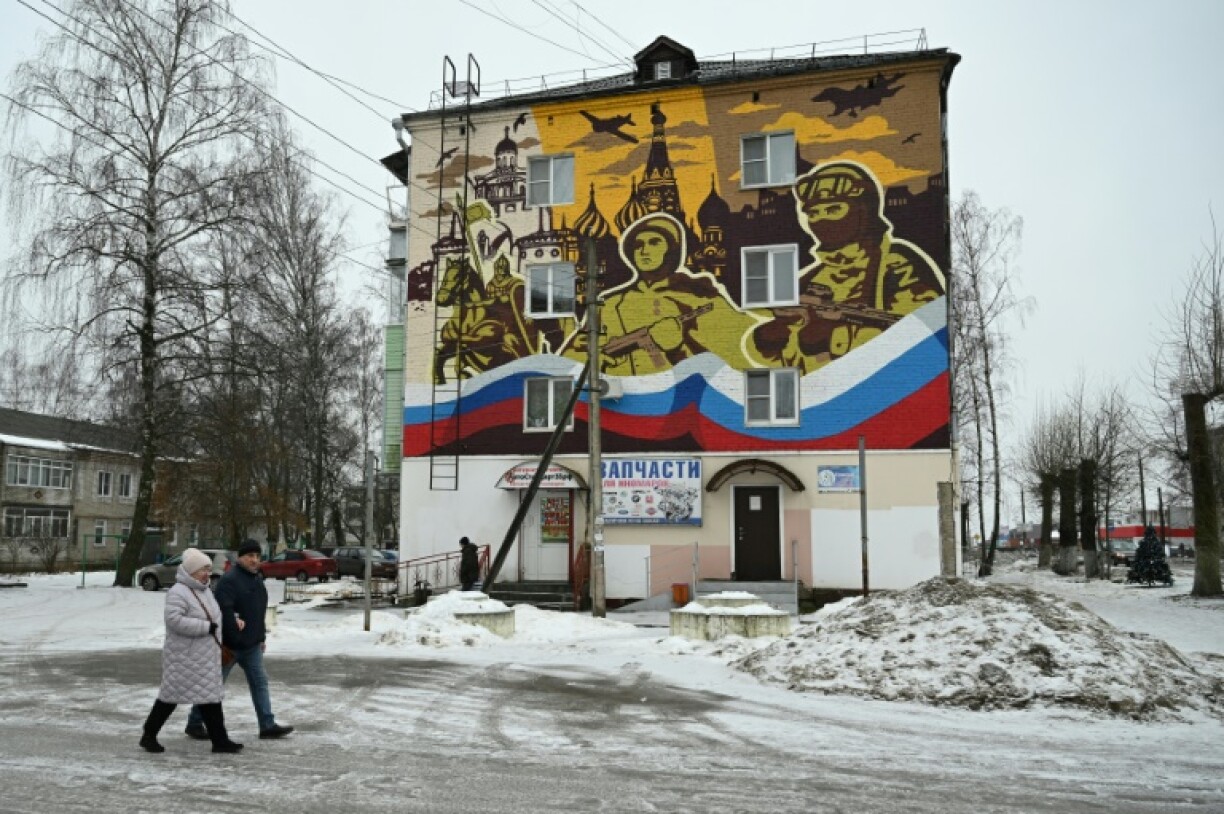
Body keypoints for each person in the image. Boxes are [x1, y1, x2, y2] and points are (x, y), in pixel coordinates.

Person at [751, 161, 945, 372]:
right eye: (813, 214)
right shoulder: (811, 278)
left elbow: (922, 342)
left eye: (833, 209)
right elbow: (783, 366)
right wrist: (766, 341)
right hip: (816, 400)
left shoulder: (897, 264)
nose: (821, 220)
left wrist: (835, 337)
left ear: (863, 210)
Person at [565, 212, 765, 375]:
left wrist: (678, 347)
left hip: (683, 409)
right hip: (623, 412)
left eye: (654, 243)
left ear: (671, 249)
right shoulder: (609, 304)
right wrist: (596, 361)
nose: (644, 251)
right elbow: (570, 359)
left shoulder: (702, 298)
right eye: (638, 245)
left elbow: (738, 360)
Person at [185, 540, 294, 741]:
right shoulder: (229, 580)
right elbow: (224, 612)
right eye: (249, 556)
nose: (254, 560)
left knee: (260, 683)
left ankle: (267, 725)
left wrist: (260, 638)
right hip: (229, 646)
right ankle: (194, 722)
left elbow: (258, 612)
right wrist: (231, 640)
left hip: (251, 646)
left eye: (257, 556)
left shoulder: (256, 579)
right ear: (240, 558)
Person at [139, 547, 243, 754]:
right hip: (184, 657)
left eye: (208, 569)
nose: (207, 573)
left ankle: (220, 740)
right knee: (169, 698)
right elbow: (174, 620)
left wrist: (232, 620)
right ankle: (148, 735)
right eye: (203, 570)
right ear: (190, 571)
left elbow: (215, 615)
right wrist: (205, 628)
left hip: (204, 655)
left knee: (210, 698)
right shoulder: (178, 591)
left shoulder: (204, 590)